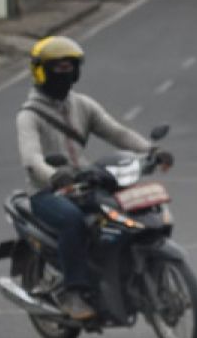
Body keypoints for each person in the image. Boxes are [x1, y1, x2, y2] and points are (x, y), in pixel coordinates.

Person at [15, 35, 173, 321]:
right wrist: (54, 175)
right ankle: (74, 292)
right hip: (47, 193)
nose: (64, 72)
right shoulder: (28, 116)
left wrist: (151, 150)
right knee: (73, 222)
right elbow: (31, 160)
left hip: (85, 184)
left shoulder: (82, 105)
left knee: (120, 215)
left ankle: (116, 276)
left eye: (69, 66)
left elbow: (116, 132)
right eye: (57, 67)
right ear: (41, 70)